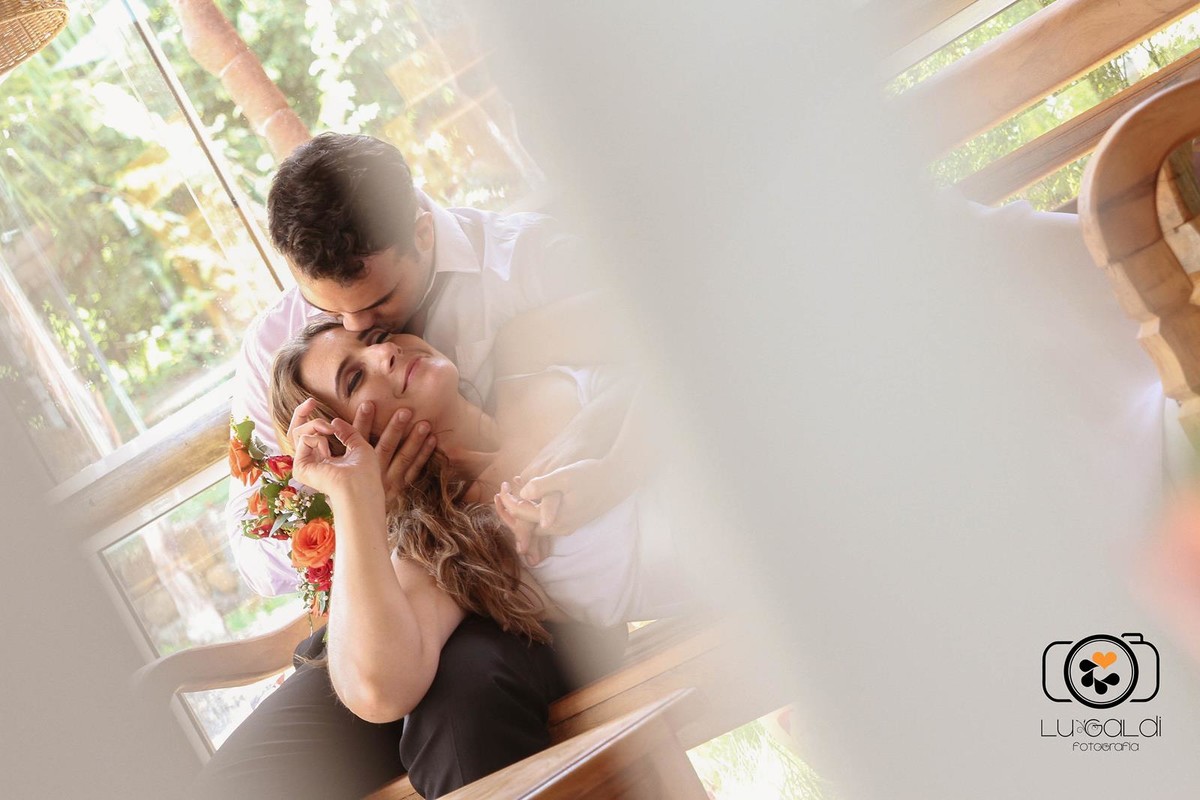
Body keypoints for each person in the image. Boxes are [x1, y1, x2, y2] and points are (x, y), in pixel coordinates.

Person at [200, 134, 635, 799]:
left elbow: (657, 349)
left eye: (375, 317)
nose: (358, 326)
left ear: (423, 233)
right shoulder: (280, 342)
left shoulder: (526, 263)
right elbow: (256, 554)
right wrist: (361, 511)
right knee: (240, 783)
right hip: (390, 598)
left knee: (461, 714)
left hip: (526, 596)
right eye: (331, 311)